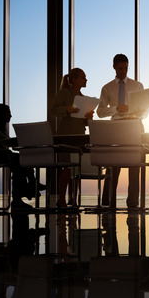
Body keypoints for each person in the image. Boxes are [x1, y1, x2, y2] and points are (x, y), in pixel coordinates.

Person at [96, 54, 148, 208]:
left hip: (135, 126)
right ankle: (107, 203)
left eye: (126, 68)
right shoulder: (107, 88)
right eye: (120, 68)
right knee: (113, 166)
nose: (124, 71)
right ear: (114, 67)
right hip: (116, 128)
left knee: (134, 166)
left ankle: (133, 203)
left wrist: (140, 112)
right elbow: (100, 112)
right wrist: (115, 109)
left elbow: (146, 112)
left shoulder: (138, 86)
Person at [51, 67, 94, 207]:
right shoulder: (64, 93)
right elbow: (54, 110)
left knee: (76, 168)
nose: (86, 79)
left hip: (79, 135)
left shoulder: (83, 98)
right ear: (74, 80)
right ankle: (61, 199)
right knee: (67, 168)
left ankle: (73, 199)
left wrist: (89, 117)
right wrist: (67, 109)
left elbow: (85, 122)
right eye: (83, 77)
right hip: (66, 135)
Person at [0, 103, 46, 194]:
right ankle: (28, 187)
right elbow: (6, 141)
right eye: (8, 113)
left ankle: (29, 186)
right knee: (20, 160)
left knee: (20, 159)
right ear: (1, 114)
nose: (11, 115)